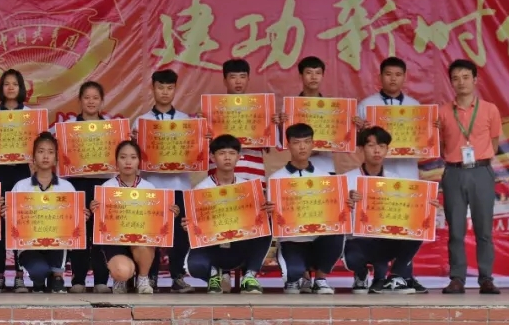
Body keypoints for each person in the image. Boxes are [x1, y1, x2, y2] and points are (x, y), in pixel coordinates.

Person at [437, 59, 502, 295]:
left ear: (475, 80)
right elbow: (440, 144)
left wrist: (479, 159)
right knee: (455, 229)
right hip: (454, 172)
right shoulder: (443, 112)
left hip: (481, 171)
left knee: (484, 229)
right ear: (451, 82)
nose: (461, 82)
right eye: (455, 78)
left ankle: (486, 278)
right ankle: (457, 278)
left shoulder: (490, 109)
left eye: (465, 77)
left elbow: (494, 142)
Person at [344, 127, 432, 295]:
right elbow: (335, 215)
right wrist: (347, 203)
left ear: (387, 150)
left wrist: (427, 205)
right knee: (353, 258)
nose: (377, 150)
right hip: (358, 241)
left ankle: (394, 276)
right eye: (371, 146)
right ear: (361, 149)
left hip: (387, 240)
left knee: (418, 228)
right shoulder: (347, 180)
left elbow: (408, 212)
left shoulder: (396, 181)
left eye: (382, 146)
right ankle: (361, 274)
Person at [184, 135, 271, 294]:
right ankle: (214, 274)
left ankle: (249, 276)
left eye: (232, 153)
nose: (227, 158)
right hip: (212, 248)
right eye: (222, 153)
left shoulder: (248, 188)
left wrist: (267, 211)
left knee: (266, 220)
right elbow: (194, 226)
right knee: (195, 266)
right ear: (212, 157)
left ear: (239, 157)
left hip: (240, 246)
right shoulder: (201, 190)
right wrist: (188, 225)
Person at [268, 123, 348, 295]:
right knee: (293, 278)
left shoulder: (325, 177)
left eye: (306, 142)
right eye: (296, 143)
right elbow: (273, 216)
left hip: (318, 240)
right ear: (288, 145)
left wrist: (345, 204)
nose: (302, 147)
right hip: (292, 241)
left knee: (338, 230)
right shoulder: (276, 179)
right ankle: (301, 275)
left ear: (313, 144)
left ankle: (320, 279)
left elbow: (334, 211)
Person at [91, 140, 179, 295]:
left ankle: (143, 279)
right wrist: (95, 210)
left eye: (133, 157)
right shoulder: (106, 188)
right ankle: (120, 279)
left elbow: (156, 219)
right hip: (115, 242)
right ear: (116, 161)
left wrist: (169, 212)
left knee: (145, 243)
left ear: (139, 161)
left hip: (141, 242)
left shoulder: (149, 188)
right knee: (121, 271)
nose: (128, 162)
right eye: (123, 157)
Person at [133, 69, 193, 294]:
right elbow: (133, 157)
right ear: (153, 89)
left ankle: (178, 276)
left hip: (180, 186)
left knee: (180, 234)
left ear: (175, 89)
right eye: (160, 87)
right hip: (152, 186)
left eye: (169, 88)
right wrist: (134, 142)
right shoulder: (142, 122)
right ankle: (150, 276)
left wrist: (201, 141)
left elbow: (194, 154)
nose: (165, 92)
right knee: (152, 233)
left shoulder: (186, 121)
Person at [0, 69, 33, 294]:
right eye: (6, 84)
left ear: (21, 88)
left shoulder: (30, 115)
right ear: (1, 88)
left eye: (15, 84)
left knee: (19, 223)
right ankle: (0, 276)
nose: (11, 87)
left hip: (21, 172)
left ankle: (20, 276)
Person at [9, 133, 76, 293]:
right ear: (33, 157)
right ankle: (39, 279)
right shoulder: (21, 186)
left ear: (56, 159)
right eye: (41, 151)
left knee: (63, 235)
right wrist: (8, 214)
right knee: (39, 271)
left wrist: (80, 216)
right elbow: (13, 222)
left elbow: (73, 222)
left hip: (56, 245)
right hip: (29, 246)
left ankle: (57, 276)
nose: (45, 156)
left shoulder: (67, 187)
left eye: (50, 152)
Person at [66, 81, 113, 294]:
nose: (91, 102)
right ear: (80, 100)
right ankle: (78, 279)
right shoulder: (68, 127)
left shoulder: (111, 127)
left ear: (102, 101)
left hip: (104, 184)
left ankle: (102, 279)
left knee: (101, 232)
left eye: (95, 98)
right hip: (77, 183)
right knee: (79, 231)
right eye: (87, 97)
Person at [353, 56, 421, 181]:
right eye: (388, 74)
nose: (393, 79)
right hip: (377, 172)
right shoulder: (366, 105)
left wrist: (432, 127)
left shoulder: (415, 106)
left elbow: (423, 139)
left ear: (405, 77)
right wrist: (362, 132)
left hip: (408, 170)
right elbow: (356, 143)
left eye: (398, 75)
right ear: (380, 77)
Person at [283, 56, 335, 175]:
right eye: (309, 73)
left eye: (318, 73)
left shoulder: (332, 108)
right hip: (298, 167)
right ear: (300, 76)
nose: (314, 77)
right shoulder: (290, 106)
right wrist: (279, 125)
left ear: (323, 76)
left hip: (326, 166)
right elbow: (284, 140)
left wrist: (352, 126)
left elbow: (341, 138)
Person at [216, 59, 267, 178]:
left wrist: (273, 124)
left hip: (253, 172)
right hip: (222, 176)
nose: (238, 81)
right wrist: (202, 126)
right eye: (233, 77)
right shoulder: (212, 109)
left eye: (242, 76)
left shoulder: (261, 109)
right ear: (225, 80)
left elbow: (268, 144)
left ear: (248, 79)